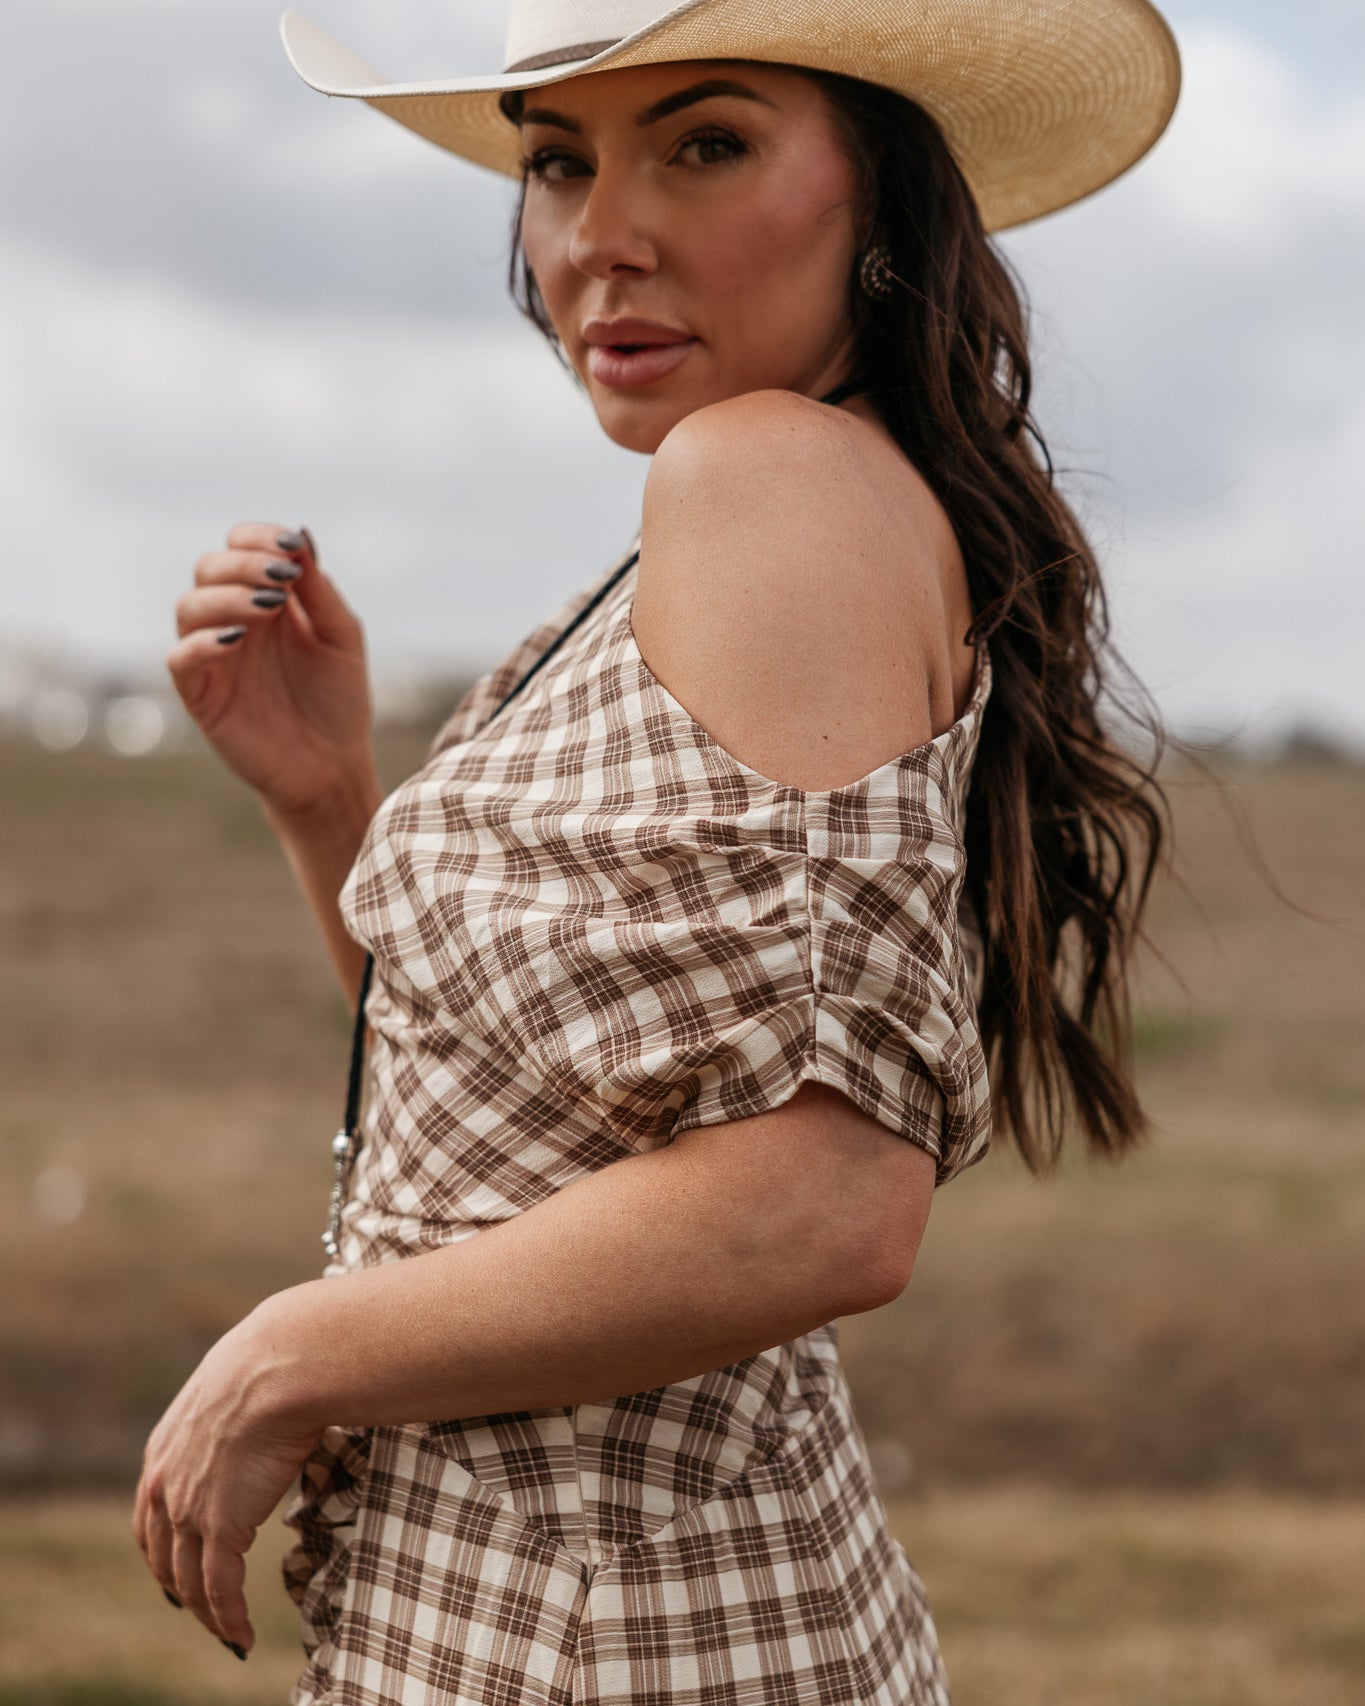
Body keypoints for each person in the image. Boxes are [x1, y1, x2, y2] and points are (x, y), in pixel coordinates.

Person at [135, 1, 1182, 1700]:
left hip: (617, 1639)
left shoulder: (762, 474)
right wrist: (324, 794)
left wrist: (290, 1353)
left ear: (881, 198)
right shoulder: (747, 516)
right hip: (579, 1613)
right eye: (558, 162)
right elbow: (552, 1106)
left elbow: (824, 1201)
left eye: (704, 144)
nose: (598, 237)